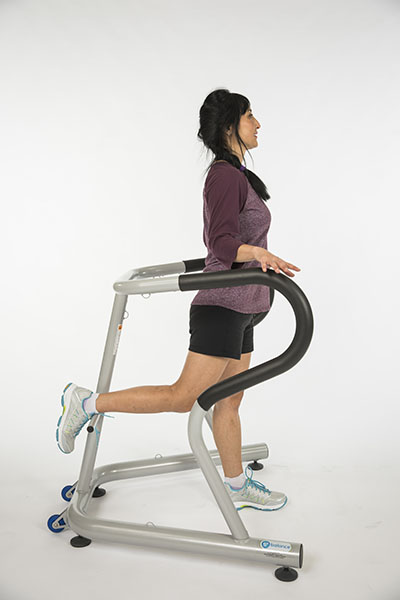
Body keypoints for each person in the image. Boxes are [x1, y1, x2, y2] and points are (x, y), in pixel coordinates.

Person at [56, 88, 301, 512]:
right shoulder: (224, 176)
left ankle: (236, 485)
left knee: (230, 399)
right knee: (184, 397)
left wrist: (259, 265)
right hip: (222, 306)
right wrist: (260, 255)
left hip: (244, 307)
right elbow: (220, 243)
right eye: (249, 116)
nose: (258, 123)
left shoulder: (238, 174)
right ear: (231, 126)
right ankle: (87, 402)